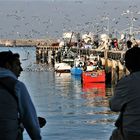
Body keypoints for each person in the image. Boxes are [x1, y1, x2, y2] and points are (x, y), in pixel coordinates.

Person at [0, 51, 42, 140]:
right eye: (18, 65)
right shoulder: (16, 86)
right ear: (8, 65)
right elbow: (30, 120)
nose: (21, 69)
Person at [109, 47, 140, 140]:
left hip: (132, 132)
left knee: (115, 135)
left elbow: (114, 106)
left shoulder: (127, 82)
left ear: (127, 65)